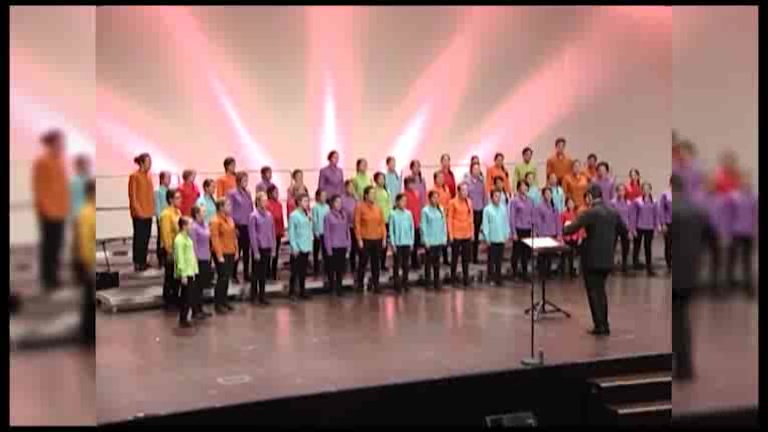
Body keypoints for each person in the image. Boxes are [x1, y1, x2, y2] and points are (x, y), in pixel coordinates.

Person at [563, 184, 627, 336]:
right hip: (607, 258)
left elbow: (570, 229)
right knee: (601, 292)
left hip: (591, 259)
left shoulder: (590, 212)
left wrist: (566, 225)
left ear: (590, 197)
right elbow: (624, 232)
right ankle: (604, 324)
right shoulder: (613, 212)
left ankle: (599, 326)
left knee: (593, 292)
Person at [670, 174, 707, 380]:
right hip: (691, 272)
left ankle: (683, 367)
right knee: (683, 318)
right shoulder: (697, 211)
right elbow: (708, 237)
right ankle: (686, 365)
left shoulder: (674, 212)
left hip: (676, 274)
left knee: (678, 321)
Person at [725, 175, 757, 296]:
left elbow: (756, 215)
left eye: (748, 180)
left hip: (748, 233)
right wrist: (726, 231)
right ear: (740, 182)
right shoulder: (733, 196)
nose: (746, 183)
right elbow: (727, 215)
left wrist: (755, 231)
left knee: (747, 261)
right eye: (744, 180)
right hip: (735, 232)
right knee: (731, 260)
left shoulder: (754, 197)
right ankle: (728, 287)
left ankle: (749, 288)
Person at [74, 179, 96, 345]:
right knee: (88, 299)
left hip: (89, 260)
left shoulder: (89, 212)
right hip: (88, 261)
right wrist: (89, 263)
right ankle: (86, 334)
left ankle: (88, 332)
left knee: (89, 298)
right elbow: (84, 241)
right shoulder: (86, 213)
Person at [354, 186, 386, 293]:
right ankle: (359, 284)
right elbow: (357, 224)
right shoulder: (360, 207)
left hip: (377, 238)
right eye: (371, 193)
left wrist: (384, 237)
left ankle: (376, 285)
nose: (373, 196)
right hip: (365, 238)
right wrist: (359, 239)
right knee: (363, 263)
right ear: (366, 195)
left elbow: (382, 224)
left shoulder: (378, 208)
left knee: (376, 263)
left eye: (374, 193)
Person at [128, 152, 154, 273]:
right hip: (139, 213)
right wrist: (137, 211)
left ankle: (143, 260)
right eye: (148, 162)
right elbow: (132, 196)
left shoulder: (148, 176)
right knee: (139, 238)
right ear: (142, 163)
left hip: (148, 212)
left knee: (146, 238)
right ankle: (137, 262)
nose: (150, 164)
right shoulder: (134, 176)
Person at [210, 199, 238, 313]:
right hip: (222, 253)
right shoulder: (215, 221)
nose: (230, 207)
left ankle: (224, 301)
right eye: (228, 205)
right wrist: (219, 255)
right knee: (222, 278)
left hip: (230, 251)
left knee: (227, 278)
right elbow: (215, 239)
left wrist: (236, 250)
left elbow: (234, 237)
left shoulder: (230, 219)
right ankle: (218, 304)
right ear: (221, 207)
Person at [249, 192, 276, 305]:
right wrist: (255, 251)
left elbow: (272, 232)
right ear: (258, 201)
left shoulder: (269, 215)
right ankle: (253, 296)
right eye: (263, 200)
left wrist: (273, 248)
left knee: (264, 273)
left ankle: (262, 295)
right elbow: (252, 235)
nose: (266, 202)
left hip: (267, 247)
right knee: (256, 273)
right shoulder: (253, 216)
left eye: (266, 200)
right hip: (258, 248)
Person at [227, 171, 254, 283]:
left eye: (247, 180)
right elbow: (230, 210)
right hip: (238, 225)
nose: (246, 182)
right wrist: (233, 226)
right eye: (244, 180)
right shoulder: (232, 193)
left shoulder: (248, 192)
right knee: (238, 250)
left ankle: (247, 274)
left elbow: (251, 208)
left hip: (247, 224)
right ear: (238, 181)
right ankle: (233, 274)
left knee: (247, 251)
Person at [447, 183, 474, 287]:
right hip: (456, 233)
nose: (465, 192)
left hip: (466, 233)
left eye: (466, 190)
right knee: (455, 258)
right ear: (458, 191)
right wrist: (451, 234)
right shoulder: (452, 203)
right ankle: (453, 278)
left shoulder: (469, 202)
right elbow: (449, 219)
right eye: (463, 190)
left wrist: (472, 232)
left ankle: (466, 278)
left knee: (466, 258)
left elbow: (471, 218)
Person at [629, 182, 659, 276]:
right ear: (642, 190)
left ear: (650, 190)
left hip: (649, 228)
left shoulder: (654, 201)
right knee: (636, 247)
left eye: (648, 188)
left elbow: (656, 215)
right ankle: (635, 265)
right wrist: (632, 229)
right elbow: (633, 215)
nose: (646, 190)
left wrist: (656, 228)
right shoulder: (637, 201)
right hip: (639, 227)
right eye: (644, 188)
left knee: (648, 248)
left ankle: (649, 268)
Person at [481, 189, 510, 286]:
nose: (498, 198)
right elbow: (485, 225)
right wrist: (487, 238)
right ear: (491, 197)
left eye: (499, 196)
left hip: (501, 237)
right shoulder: (487, 209)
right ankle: (490, 277)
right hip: (492, 238)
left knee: (499, 260)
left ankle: (498, 277)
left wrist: (506, 234)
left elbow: (506, 222)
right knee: (491, 260)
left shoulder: (503, 208)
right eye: (496, 196)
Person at [174, 217, 199, 328]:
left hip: (190, 271)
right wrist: (183, 274)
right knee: (186, 297)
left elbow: (191, 256)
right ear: (184, 226)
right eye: (190, 224)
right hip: (185, 272)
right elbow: (180, 258)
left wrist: (194, 270)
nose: (192, 227)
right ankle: (183, 318)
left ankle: (185, 317)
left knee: (189, 296)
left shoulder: (188, 239)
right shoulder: (179, 240)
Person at [324, 194, 351, 296]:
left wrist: (349, 244)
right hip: (333, 245)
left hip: (342, 244)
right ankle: (332, 287)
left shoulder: (344, 215)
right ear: (332, 203)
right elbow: (327, 233)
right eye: (337, 202)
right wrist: (328, 248)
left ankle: (340, 288)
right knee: (332, 268)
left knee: (341, 268)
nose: (339, 204)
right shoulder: (328, 216)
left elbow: (347, 230)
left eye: (340, 202)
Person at [159, 189, 182, 309]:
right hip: (170, 248)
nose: (180, 200)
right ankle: (168, 301)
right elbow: (166, 233)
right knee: (170, 276)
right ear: (170, 200)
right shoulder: (166, 214)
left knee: (177, 276)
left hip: (178, 247)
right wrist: (169, 250)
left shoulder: (178, 212)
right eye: (177, 198)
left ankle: (175, 298)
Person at [189, 206, 212, 320]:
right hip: (198, 260)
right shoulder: (193, 227)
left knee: (202, 286)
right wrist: (195, 261)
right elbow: (193, 245)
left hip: (206, 258)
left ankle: (201, 308)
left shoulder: (205, 224)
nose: (205, 213)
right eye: (203, 212)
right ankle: (195, 310)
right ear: (197, 214)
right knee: (196, 287)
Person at [288, 194, 313, 301]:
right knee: (295, 271)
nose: (307, 203)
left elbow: (309, 229)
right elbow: (291, 232)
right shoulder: (293, 215)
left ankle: (302, 290)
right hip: (297, 247)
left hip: (306, 246)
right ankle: (292, 292)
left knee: (303, 271)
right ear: (298, 202)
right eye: (304, 201)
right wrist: (294, 247)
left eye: (308, 201)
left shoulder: (307, 214)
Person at [421, 190, 448, 291]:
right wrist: (425, 240)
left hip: (438, 240)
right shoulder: (425, 211)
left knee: (437, 263)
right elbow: (423, 226)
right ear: (430, 199)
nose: (436, 200)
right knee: (428, 263)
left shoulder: (440, 209)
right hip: (430, 241)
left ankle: (437, 282)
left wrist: (444, 237)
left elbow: (443, 224)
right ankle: (428, 282)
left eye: (437, 197)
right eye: (434, 197)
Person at [534, 187, 563, 280]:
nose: (548, 195)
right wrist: (539, 233)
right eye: (546, 193)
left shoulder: (554, 207)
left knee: (550, 254)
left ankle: (548, 272)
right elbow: (537, 221)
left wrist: (559, 234)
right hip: (543, 233)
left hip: (552, 233)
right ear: (543, 195)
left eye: (549, 193)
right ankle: (541, 273)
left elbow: (558, 221)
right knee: (542, 255)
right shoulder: (539, 207)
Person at [389, 193, 415, 293]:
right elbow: (391, 230)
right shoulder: (393, 214)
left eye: (405, 201)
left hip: (407, 242)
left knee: (406, 264)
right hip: (398, 243)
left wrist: (411, 241)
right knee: (397, 264)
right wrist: (393, 243)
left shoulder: (408, 214)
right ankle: (397, 284)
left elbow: (411, 228)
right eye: (402, 201)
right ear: (397, 202)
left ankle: (405, 282)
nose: (404, 203)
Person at [509, 180, 535, 282]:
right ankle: (514, 273)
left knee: (526, 253)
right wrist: (513, 232)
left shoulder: (530, 200)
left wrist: (533, 229)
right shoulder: (515, 201)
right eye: (522, 186)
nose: (524, 188)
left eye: (526, 186)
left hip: (527, 229)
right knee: (516, 252)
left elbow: (533, 215)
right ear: (519, 188)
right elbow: (512, 217)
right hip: (518, 229)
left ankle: (525, 273)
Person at [465, 162, 487, 264]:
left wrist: (485, 208)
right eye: (475, 169)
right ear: (471, 170)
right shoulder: (467, 182)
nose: (477, 171)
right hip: (469, 211)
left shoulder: (481, 182)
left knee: (477, 234)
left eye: (478, 169)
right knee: (469, 235)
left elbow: (484, 196)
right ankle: (468, 256)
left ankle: (475, 257)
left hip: (479, 210)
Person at [404, 176, 424, 271]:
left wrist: (419, 220)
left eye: (413, 183)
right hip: (408, 223)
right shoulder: (404, 195)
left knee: (416, 243)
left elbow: (418, 208)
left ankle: (414, 261)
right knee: (409, 244)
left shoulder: (416, 193)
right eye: (410, 183)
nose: (412, 185)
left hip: (416, 221)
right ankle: (407, 263)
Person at [560, 197, 583, 278]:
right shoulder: (563, 214)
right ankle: (563, 272)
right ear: (566, 204)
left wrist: (580, 237)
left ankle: (572, 271)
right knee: (565, 255)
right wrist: (561, 238)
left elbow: (580, 226)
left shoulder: (577, 214)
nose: (570, 205)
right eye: (569, 203)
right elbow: (561, 226)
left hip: (575, 237)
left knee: (573, 255)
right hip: (566, 237)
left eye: (572, 203)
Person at [431, 171, 452, 265]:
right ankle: (435, 259)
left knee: (445, 238)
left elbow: (449, 201)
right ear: (435, 179)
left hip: (445, 215)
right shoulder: (432, 190)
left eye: (443, 178)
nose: (442, 180)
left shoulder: (446, 189)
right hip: (436, 217)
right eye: (439, 178)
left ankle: (445, 259)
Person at [265, 185, 285, 280]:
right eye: (275, 192)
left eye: (277, 192)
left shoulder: (279, 204)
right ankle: (267, 272)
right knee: (269, 253)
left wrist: (282, 230)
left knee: (275, 253)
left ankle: (273, 272)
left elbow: (281, 218)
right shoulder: (267, 204)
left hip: (277, 232)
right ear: (269, 193)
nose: (277, 194)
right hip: (269, 233)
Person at [611, 184, 632, 274]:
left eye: (623, 190)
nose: (621, 192)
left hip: (625, 226)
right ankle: (611, 266)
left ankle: (624, 265)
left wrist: (631, 229)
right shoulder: (613, 202)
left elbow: (631, 216)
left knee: (625, 247)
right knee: (612, 247)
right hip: (615, 226)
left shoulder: (629, 202)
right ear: (617, 192)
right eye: (619, 190)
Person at [372, 172, 391, 271]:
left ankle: (383, 263)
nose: (382, 181)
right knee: (377, 243)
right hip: (377, 220)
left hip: (386, 219)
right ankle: (376, 263)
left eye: (383, 178)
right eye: (380, 179)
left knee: (385, 243)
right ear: (375, 180)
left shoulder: (386, 190)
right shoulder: (374, 192)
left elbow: (389, 204)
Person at [311, 189, 331, 278]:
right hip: (318, 232)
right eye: (322, 196)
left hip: (326, 233)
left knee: (325, 252)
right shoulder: (315, 207)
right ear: (318, 197)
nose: (324, 197)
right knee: (316, 252)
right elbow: (315, 220)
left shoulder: (327, 207)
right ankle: (316, 269)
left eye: (325, 196)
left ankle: (327, 269)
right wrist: (316, 232)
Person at [341, 180, 359, 272]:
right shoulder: (342, 199)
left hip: (355, 226)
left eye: (353, 187)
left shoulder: (355, 199)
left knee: (354, 247)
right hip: (345, 226)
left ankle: (353, 267)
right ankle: (343, 267)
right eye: (350, 187)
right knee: (346, 247)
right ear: (345, 188)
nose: (351, 189)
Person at [155, 171, 172, 267]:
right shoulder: (158, 191)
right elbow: (157, 207)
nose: (169, 180)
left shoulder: (169, 190)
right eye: (167, 178)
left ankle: (168, 257)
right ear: (162, 179)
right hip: (162, 218)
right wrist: (159, 219)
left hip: (170, 217)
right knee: (161, 239)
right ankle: (160, 259)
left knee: (169, 238)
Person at [69, 154, 92, 220]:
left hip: (87, 215)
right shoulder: (73, 181)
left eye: (87, 164)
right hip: (78, 215)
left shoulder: (90, 180)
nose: (86, 167)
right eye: (84, 164)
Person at [659, 178, 673, 274]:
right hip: (668, 223)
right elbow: (661, 210)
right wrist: (663, 223)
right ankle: (669, 265)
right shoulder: (665, 194)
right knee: (668, 245)